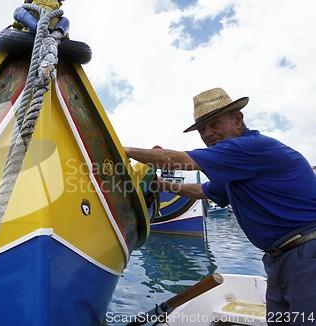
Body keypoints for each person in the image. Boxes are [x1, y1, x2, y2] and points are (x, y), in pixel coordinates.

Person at [124, 87, 316, 325]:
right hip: (279, 259)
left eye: (214, 124)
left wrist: (124, 152)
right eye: (202, 129)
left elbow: (182, 161)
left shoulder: (248, 148)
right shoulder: (238, 170)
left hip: (307, 254)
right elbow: (201, 191)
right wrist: (160, 183)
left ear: (238, 120)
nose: (208, 134)